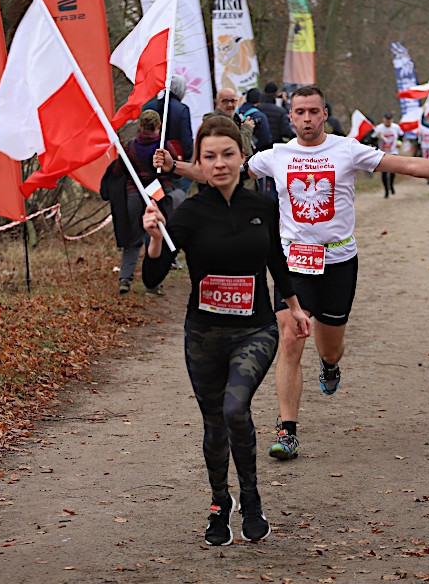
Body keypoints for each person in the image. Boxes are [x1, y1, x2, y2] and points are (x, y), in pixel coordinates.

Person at [154, 86, 429, 461]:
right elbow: (218, 172)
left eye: (314, 111)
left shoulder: (347, 150)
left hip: (339, 261)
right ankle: (287, 430)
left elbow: (405, 164)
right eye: (300, 112)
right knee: (290, 338)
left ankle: (329, 365)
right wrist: (175, 166)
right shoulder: (276, 156)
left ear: (324, 114)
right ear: (291, 116)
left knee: (330, 346)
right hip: (294, 263)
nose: (307, 118)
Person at [142, 116, 312, 546]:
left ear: (242, 157)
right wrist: (155, 239)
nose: (219, 164)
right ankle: (221, 501)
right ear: (198, 163)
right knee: (214, 423)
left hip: (255, 329)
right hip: (204, 335)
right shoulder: (189, 213)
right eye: (210, 156)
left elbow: (276, 260)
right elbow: (152, 277)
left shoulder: (262, 206)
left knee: (236, 409)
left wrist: (294, 307)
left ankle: (251, 499)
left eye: (228, 154)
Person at [112, 110, 176, 295]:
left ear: (140, 125)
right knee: (157, 236)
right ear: (159, 125)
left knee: (133, 239)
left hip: (133, 194)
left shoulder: (129, 146)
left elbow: (119, 171)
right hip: (158, 195)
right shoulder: (164, 146)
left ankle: (125, 278)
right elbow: (174, 168)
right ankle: (154, 282)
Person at [143, 75, 194, 204]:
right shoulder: (182, 110)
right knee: (177, 194)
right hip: (175, 159)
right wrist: (188, 158)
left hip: (150, 159)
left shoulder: (150, 106)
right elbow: (186, 140)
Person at [372, 112, 402, 198]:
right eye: (386, 120)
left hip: (393, 151)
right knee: (384, 172)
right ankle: (386, 190)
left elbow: (401, 136)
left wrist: (399, 142)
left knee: (393, 170)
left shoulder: (396, 127)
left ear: (392, 120)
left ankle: (391, 185)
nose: (388, 122)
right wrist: (377, 137)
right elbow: (372, 139)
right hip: (383, 152)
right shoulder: (379, 128)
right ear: (384, 119)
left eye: (389, 120)